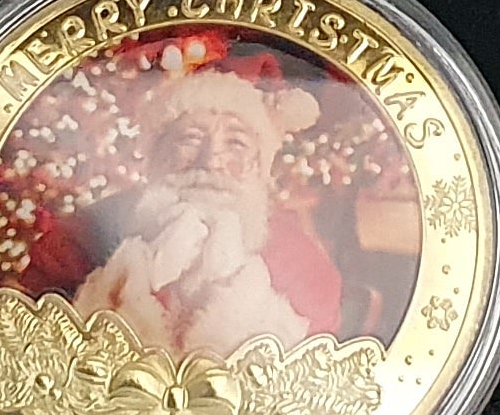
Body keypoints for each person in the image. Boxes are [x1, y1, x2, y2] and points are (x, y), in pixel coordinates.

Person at [61, 53, 343, 359]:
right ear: (157, 154)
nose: (211, 160)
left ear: (260, 166)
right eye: (190, 139)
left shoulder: (302, 264)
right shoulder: (79, 238)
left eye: (236, 143)